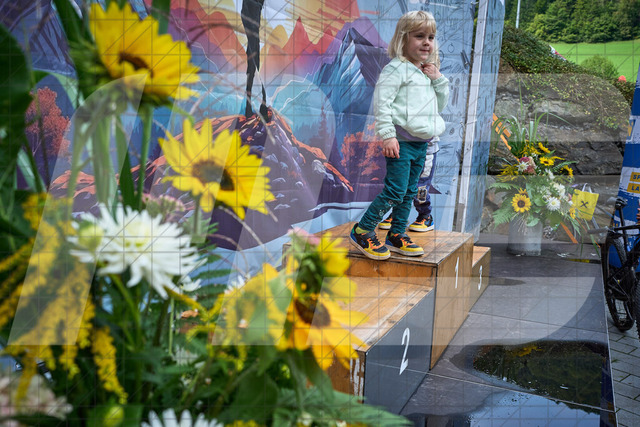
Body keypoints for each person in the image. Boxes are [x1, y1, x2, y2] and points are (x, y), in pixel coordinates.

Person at [349, 10, 449, 260]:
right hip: (401, 142)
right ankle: (363, 230)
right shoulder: (396, 69)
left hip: (421, 143)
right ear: (403, 39)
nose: (427, 42)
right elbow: (382, 104)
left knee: (409, 191)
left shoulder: (425, 72)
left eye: (431, 37)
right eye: (419, 36)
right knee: (395, 191)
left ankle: (396, 234)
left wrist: (438, 80)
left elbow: (439, 106)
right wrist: (388, 135)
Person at [378, 135, 439, 233]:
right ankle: (399, 215)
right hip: (405, 150)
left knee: (421, 187)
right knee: (401, 184)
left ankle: (425, 216)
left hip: (425, 152)